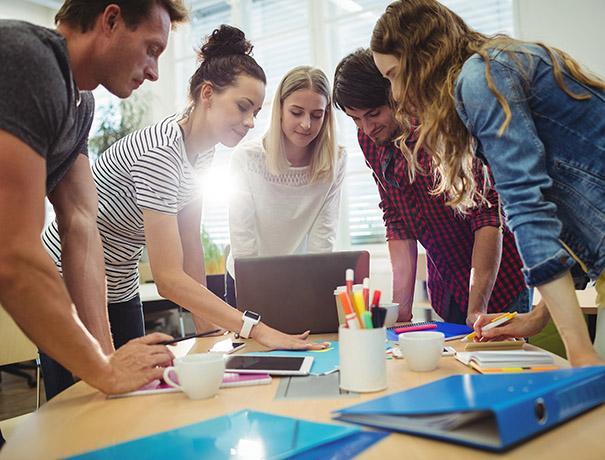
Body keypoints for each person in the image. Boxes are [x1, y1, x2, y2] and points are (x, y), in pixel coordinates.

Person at [41, 25, 325, 399]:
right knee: (82, 404)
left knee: (131, 398)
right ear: (208, 94)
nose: (251, 121)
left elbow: (190, 244)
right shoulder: (160, 152)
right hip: (68, 277)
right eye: (242, 107)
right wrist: (254, 328)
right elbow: (169, 278)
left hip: (120, 283)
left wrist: (210, 333)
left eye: (256, 111)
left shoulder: (203, 153)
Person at [371, 0, 605, 365]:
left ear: (423, 56)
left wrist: (579, 351)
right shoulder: (493, 67)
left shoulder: (481, 79)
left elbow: (529, 210)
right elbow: (571, 226)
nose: (397, 93)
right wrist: (535, 319)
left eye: (394, 74)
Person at [0, 0, 189, 411]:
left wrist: (107, 361)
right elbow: (12, 253)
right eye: (152, 49)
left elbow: (83, 223)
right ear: (111, 19)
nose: (155, 71)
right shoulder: (28, 58)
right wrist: (103, 371)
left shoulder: (79, 104)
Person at [333, 48, 529, 325]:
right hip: (447, 286)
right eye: (355, 119)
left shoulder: (441, 127)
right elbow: (396, 220)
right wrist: (401, 312)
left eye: (373, 114)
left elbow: (486, 216)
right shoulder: (370, 140)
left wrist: (477, 310)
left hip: (499, 282)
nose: (366, 128)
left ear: (395, 95)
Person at [225, 66, 346, 306]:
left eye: (316, 115)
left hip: (301, 278)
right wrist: (257, 293)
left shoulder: (335, 161)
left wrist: (312, 293)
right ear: (279, 110)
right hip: (247, 277)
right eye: (297, 112)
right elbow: (243, 240)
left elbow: (323, 240)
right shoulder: (246, 158)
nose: (306, 124)